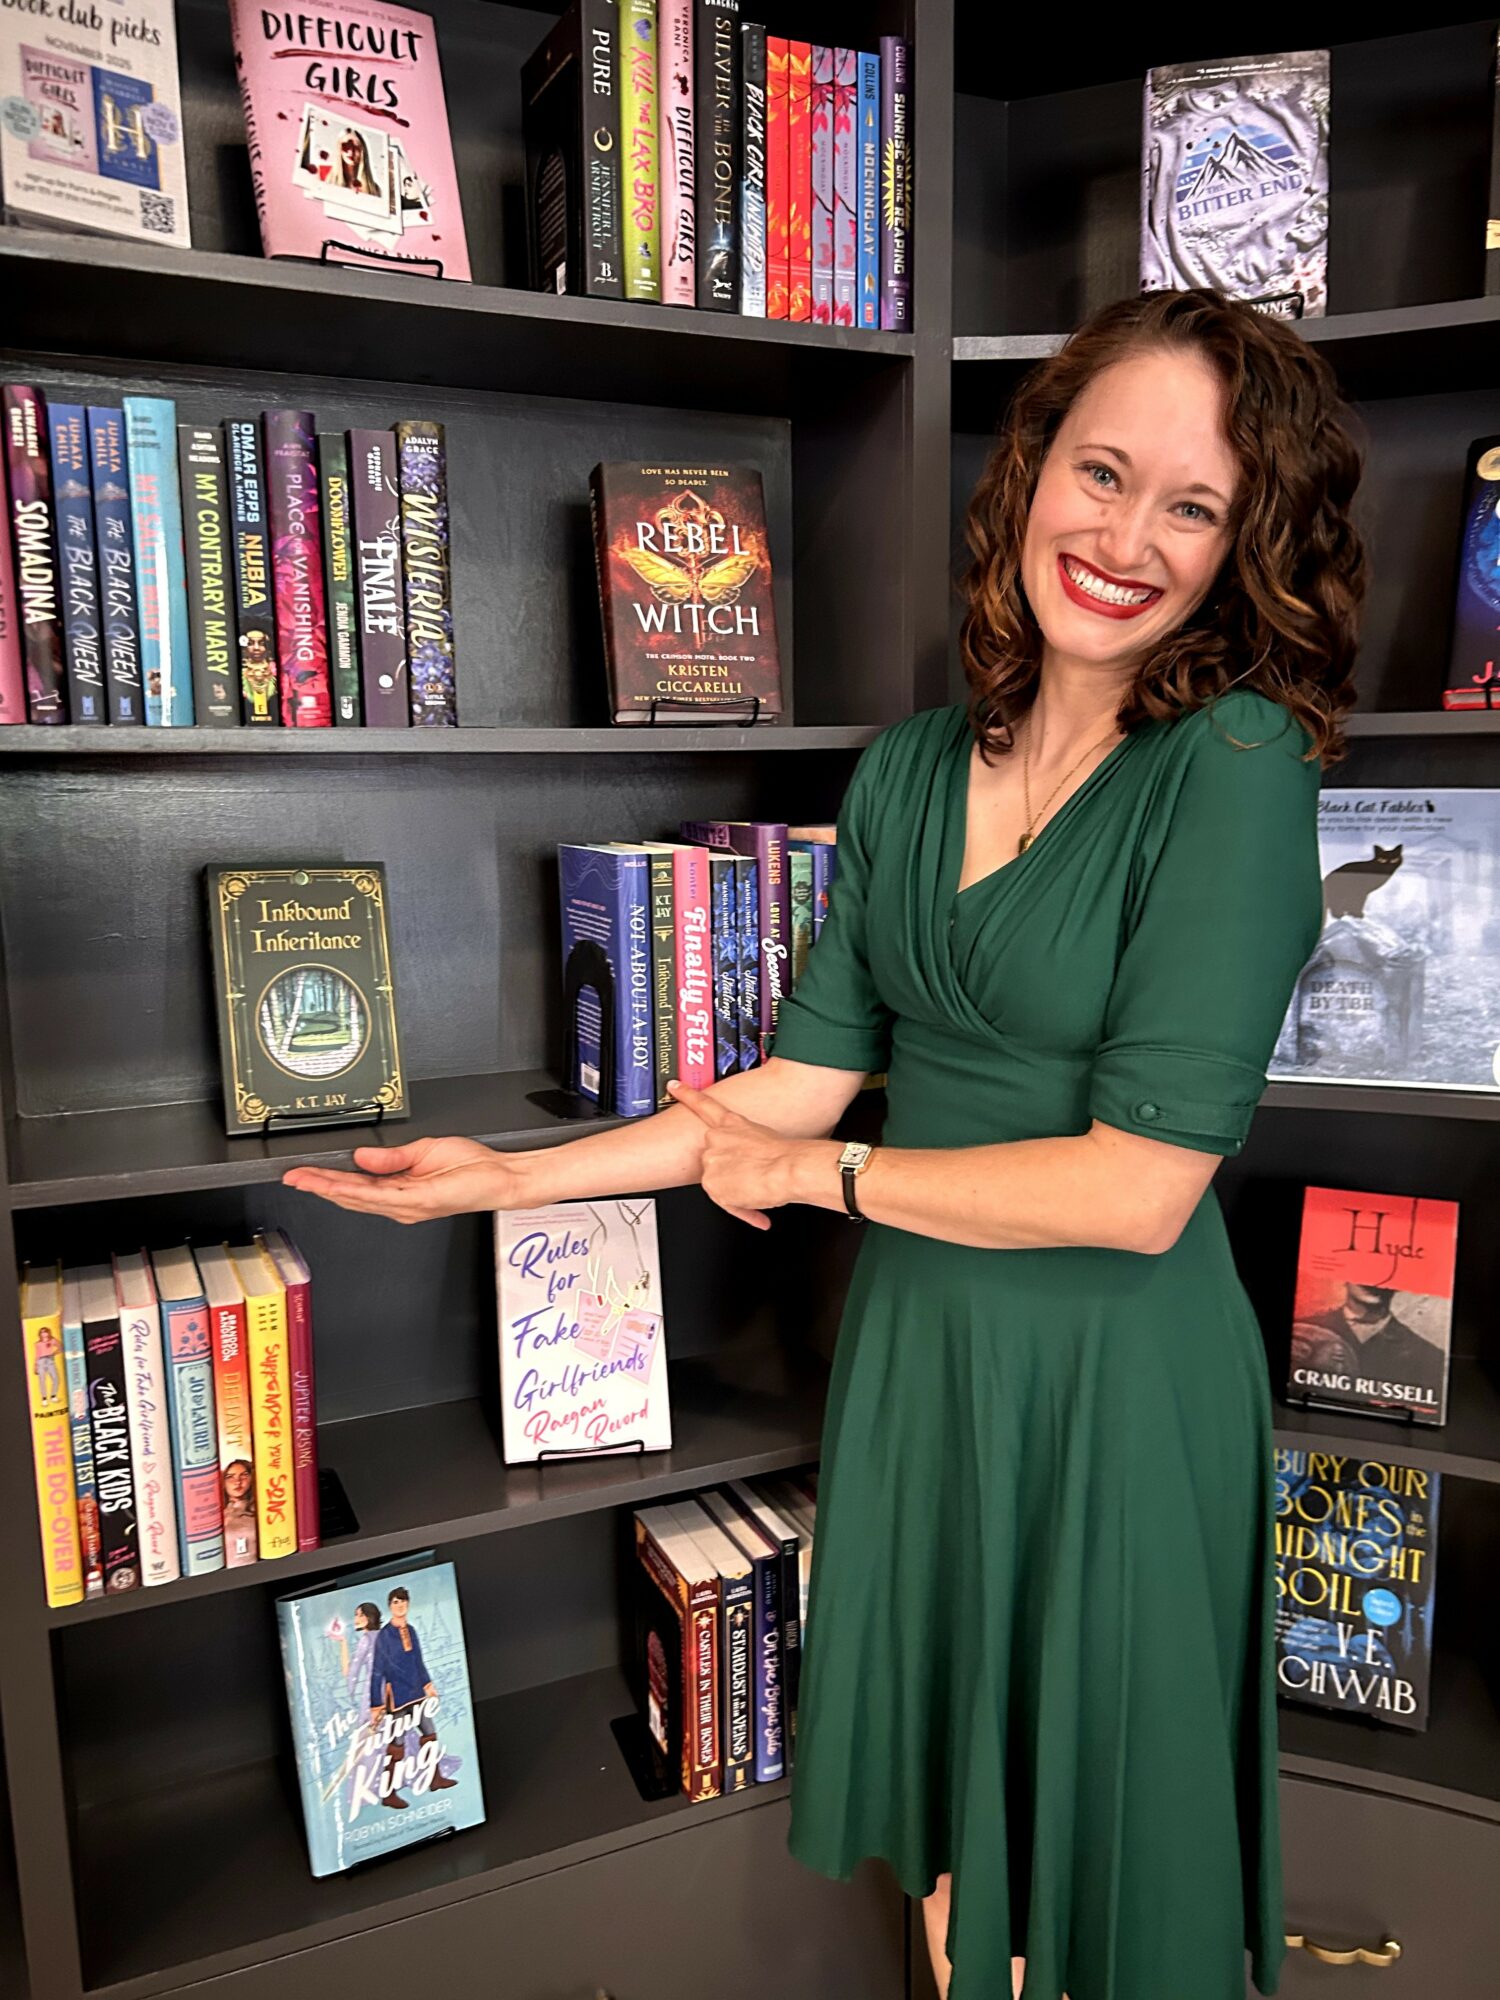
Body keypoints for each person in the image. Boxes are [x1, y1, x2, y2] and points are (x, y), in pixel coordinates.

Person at [283, 287, 1365, 1999]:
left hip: (1113, 1391)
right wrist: (511, 1181)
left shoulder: (1234, 766)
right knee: (956, 1858)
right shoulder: (913, 770)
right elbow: (796, 1084)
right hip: (923, 1363)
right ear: (1034, 469)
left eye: (1193, 506)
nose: (1126, 539)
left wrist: (824, 1178)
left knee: (1093, 1869)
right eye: (1103, 473)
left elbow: (1141, 1189)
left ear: (1244, 548)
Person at [368, 1585, 457, 1810]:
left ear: (408, 1604)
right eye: (396, 1602)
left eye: (403, 1601)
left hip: (416, 1693)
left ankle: (435, 1779)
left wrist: (428, 1684)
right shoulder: (384, 1636)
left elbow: (418, 1661)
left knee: (429, 1734)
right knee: (396, 1745)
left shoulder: (412, 1631)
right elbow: (377, 1670)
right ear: (390, 1606)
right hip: (397, 1698)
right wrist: (376, 1705)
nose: (400, 1605)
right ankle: (388, 1793)